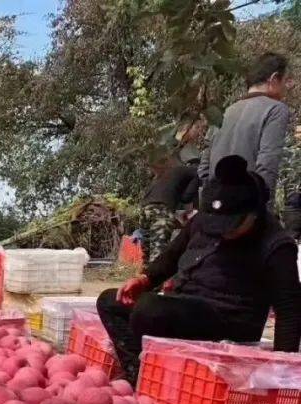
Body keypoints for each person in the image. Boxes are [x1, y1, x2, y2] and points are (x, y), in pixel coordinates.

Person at [98, 155, 301, 385]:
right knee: (111, 301)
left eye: (230, 226)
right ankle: (140, 374)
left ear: (253, 214)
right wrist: (145, 279)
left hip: (228, 319)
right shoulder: (204, 219)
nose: (222, 232)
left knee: (150, 310)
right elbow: (172, 255)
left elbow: (289, 310)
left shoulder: (275, 244)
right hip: (187, 303)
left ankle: (152, 378)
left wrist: (282, 371)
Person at [199, 52, 291, 197]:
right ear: (274, 79)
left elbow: (204, 166)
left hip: (215, 205)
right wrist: (262, 210)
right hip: (247, 206)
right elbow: (267, 165)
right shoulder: (275, 109)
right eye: (285, 81)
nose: (287, 87)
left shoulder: (225, 111)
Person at [138, 120, 205, 265]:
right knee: (158, 254)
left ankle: (143, 283)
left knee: (146, 253)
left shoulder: (169, 170)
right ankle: (155, 284)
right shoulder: (193, 171)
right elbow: (187, 197)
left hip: (145, 205)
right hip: (162, 207)